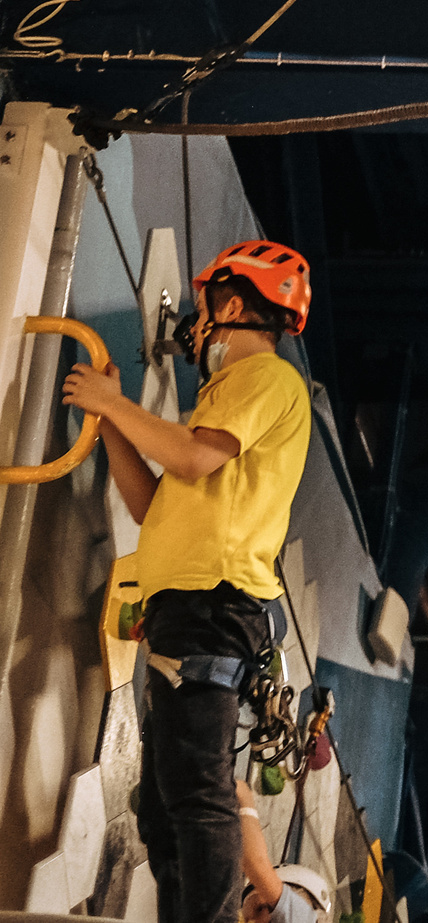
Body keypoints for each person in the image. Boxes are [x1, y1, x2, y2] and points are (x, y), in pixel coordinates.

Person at [61, 241, 315, 923]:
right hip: (192, 608)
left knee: (197, 793)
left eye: (203, 311)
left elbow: (193, 457)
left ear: (230, 304)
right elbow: (152, 505)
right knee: (164, 805)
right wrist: (110, 418)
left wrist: (117, 402)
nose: (195, 328)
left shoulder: (263, 377)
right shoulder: (223, 402)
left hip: (215, 604)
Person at [233, 778, 330, 923]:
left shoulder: (303, 920)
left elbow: (254, 862)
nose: (251, 922)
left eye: (261, 908)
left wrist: (245, 800)